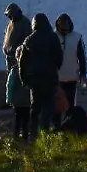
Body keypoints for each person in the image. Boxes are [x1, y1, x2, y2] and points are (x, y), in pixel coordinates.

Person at [16, 13, 63, 141]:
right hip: (49, 77)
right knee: (48, 106)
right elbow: (59, 57)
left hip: (34, 79)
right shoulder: (52, 37)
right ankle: (44, 133)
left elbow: (22, 62)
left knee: (35, 108)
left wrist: (24, 78)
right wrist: (54, 69)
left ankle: (33, 135)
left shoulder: (29, 40)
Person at [54, 13, 87, 113]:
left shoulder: (76, 37)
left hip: (70, 76)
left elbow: (81, 57)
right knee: (58, 103)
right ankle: (60, 124)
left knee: (68, 103)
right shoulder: (54, 37)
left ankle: (67, 124)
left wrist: (83, 73)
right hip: (59, 76)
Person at [5, 45, 32, 142]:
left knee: (18, 119)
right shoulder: (30, 70)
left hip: (17, 101)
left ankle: (16, 137)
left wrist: (9, 98)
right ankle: (24, 136)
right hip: (28, 100)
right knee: (26, 120)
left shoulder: (14, 70)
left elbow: (9, 85)